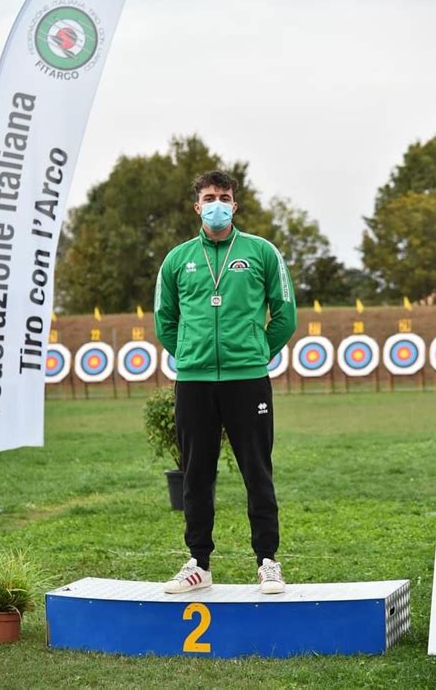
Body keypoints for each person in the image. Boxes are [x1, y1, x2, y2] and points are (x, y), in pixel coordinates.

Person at [154, 169, 297, 594]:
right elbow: (165, 318)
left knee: (258, 470)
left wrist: (257, 350)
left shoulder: (261, 252)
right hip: (194, 381)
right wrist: (188, 354)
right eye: (209, 197)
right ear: (197, 206)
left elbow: (284, 312)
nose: (217, 203)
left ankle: (268, 561)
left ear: (235, 204)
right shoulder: (178, 259)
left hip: (247, 380)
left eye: (224, 196)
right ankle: (198, 563)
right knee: (196, 474)